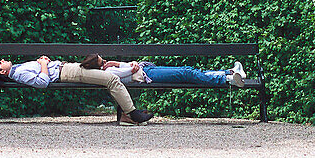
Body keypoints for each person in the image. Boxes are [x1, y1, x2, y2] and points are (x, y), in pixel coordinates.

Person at [0, 55, 155, 125]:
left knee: (107, 72)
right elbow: (42, 82)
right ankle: (132, 114)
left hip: (66, 67)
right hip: (67, 73)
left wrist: (45, 61)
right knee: (111, 79)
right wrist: (44, 64)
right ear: (3, 71)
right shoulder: (18, 74)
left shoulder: (18, 67)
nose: (1, 60)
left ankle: (125, 114)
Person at [88, 55, 247, 87]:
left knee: (189, 71)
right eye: (103, 62)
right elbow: (129, 70)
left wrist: (118, 62)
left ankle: (230, 72)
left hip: (147, 69)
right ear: (99, 67)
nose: (106, 62)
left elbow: (132, 65)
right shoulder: (108, 73)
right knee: (187, 73)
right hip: (147, 76)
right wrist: (129, 64)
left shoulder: (110, 67)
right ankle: (227, 78)